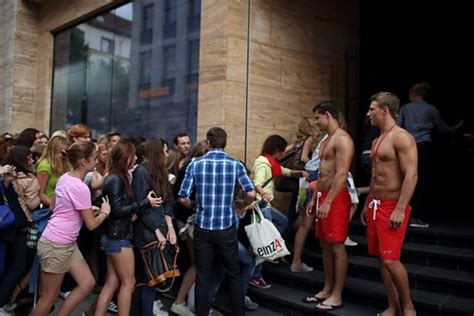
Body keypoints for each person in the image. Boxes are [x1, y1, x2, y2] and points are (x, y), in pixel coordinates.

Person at [178, 127, 256, 316]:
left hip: (203, 228)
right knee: (234, 274)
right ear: (225, 143)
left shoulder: (195, 164)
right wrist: (240, 203)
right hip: (226, 228)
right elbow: (252, 193)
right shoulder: (235, 164)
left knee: (203, 276)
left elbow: (182, 197)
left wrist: (195, 206)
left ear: (209, 143)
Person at [31, 142, 111, 316]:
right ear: (83, 161)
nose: (97, 161)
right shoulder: (80, 186)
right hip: (56, 244)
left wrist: (86, 210)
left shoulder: (65, 177)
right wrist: (104, 213)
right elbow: (91, 225)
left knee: (87, 283)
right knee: (49, 297)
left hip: (63, 242)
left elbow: (55, 207)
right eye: (94, 158)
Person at [361, 91, 417, 316]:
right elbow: (376, 177)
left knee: (392, 260)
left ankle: (408, 306)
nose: (368, 114)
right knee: (382, 260)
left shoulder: (402, 137)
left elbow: (411, 175)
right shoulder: (377, 139)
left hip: (392, 207)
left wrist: (401, 208)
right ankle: (392, 306)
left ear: (385, 110)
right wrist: (367, 203)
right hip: (376, 204)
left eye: (372, 109)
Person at [305, 101, 354, 311]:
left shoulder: (342, 139)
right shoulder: (326, 140)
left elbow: (341, 174)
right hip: (323, 195)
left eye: (317, 117)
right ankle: (327, 288)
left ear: (328, 115)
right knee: (324, 244)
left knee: (336, 245)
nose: (315, 122)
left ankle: (337, 294)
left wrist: (329, 201)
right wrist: (314, 198)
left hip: (336, 198)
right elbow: (322, 173)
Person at [397, 82, 463, 228]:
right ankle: (416, 216)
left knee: (405, 178)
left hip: (406, 147)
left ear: (413, 94)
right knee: (420, 180)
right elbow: (443, 129)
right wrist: (457, 127)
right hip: (423, 147)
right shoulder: (431, 109)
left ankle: (403, 212)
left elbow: (397, 126)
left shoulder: (405, 108)